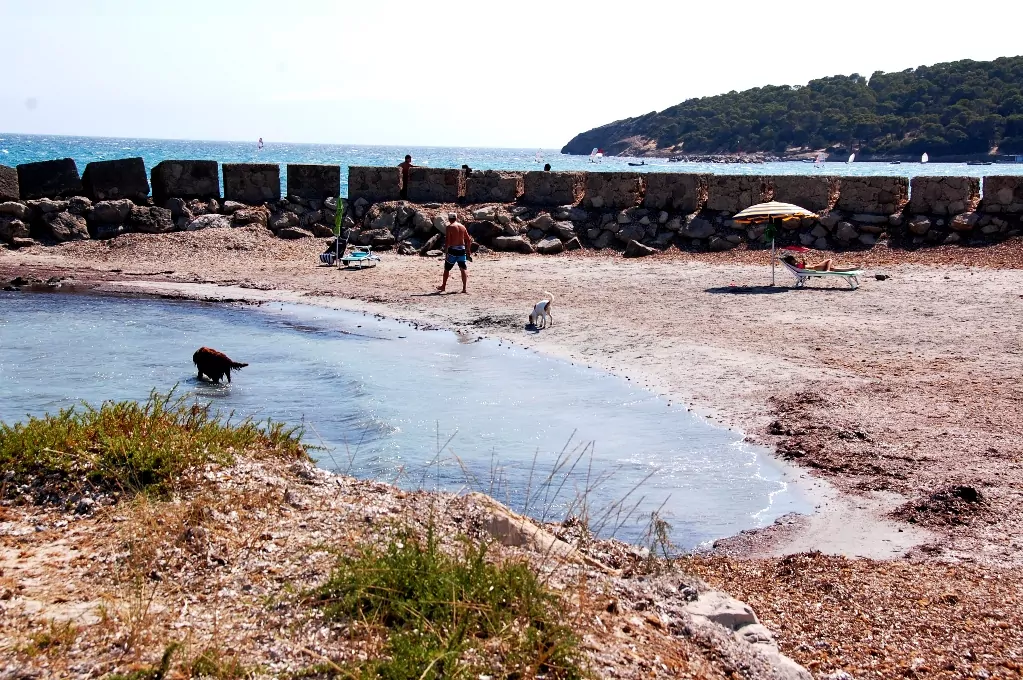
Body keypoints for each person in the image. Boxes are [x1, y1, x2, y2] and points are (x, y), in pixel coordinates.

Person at [438, 213, 473, 293]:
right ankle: (464, 288)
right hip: (462, 250)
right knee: (463, 268)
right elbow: (468, 240)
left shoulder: (449, 227)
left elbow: (447, 241)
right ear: (456, 218)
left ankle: (443, 286)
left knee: (447, 269)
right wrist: (468, 250)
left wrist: (446, 251)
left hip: (453, 250)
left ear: (449, 219)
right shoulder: (462, 226)